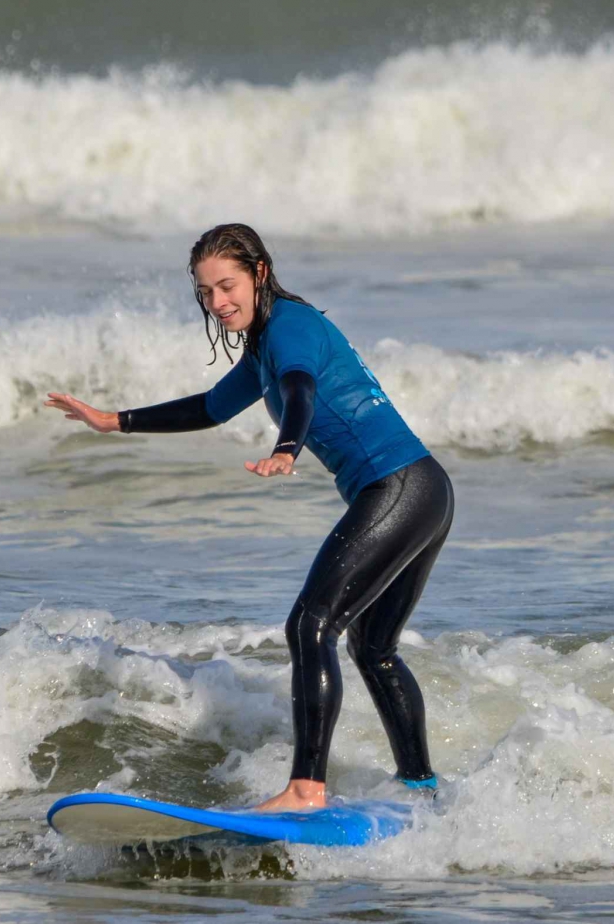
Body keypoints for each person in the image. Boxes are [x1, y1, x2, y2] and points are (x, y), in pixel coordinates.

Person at [44, 223, 454, 812]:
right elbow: (211, 407)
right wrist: (113, 421)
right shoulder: (266, 344)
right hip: (425, 491)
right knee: (373, 647)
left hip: (398, 487)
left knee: (310, 627)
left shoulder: (289, 329)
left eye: (227, 285)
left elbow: (301, 389)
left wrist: (288, 446)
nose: (217, 303)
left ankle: (305, 790)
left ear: (260, 272)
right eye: (206, 292)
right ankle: (422, 790)